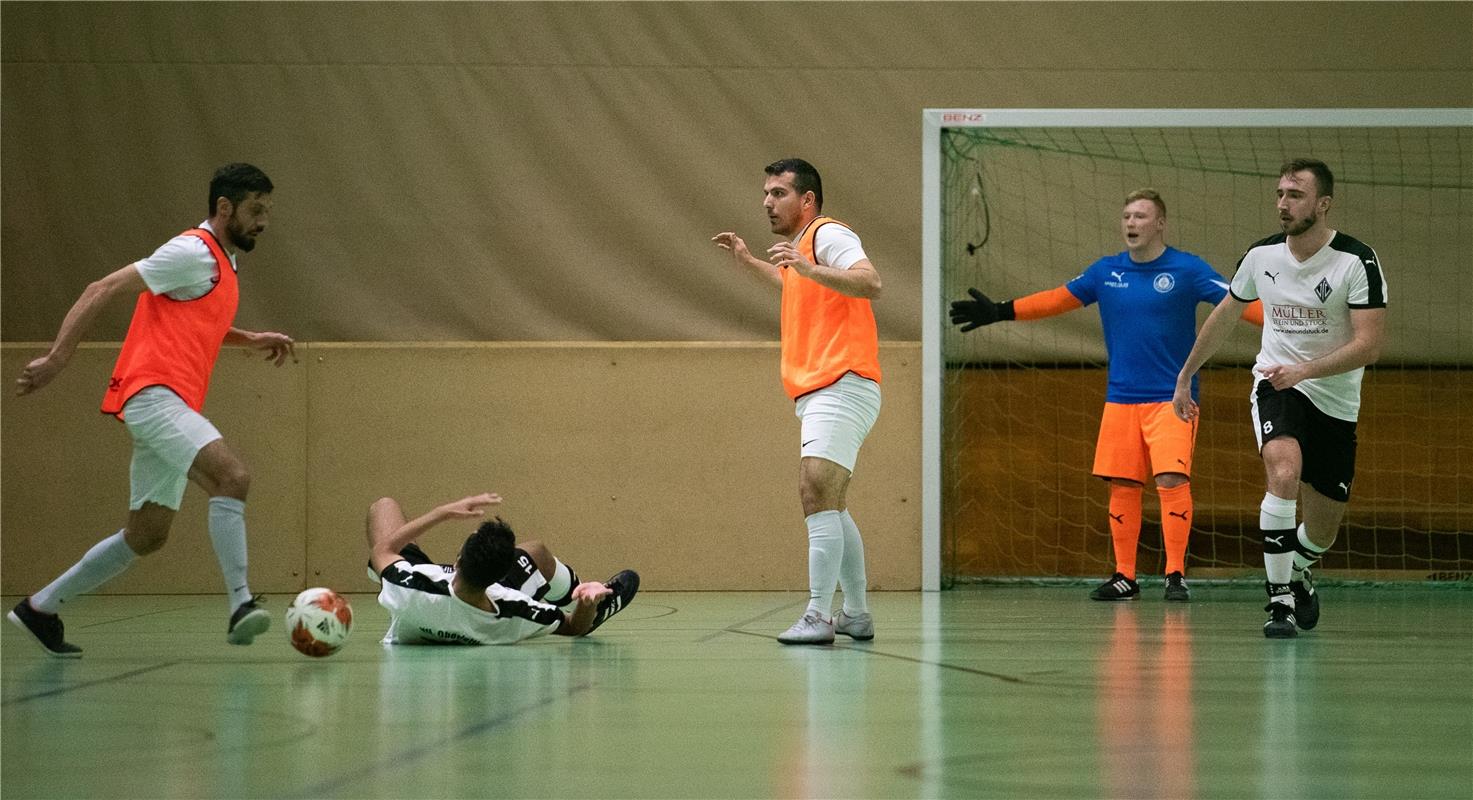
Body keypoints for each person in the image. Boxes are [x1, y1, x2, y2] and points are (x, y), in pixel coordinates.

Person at [8, 163, 295, 657]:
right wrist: (58, 358)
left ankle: (39, 608)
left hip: (168, 400)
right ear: (224, 208)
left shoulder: (223, 262)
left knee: (146, 535)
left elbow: (194, 319)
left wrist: (249, 338)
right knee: (232, 478)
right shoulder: (190, 252)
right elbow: (100, 289)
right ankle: (240, 605)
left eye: (267, 210)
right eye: (255, 210)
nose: (262, 221)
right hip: (152, 394)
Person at [950, 189, 1263, 602]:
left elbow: (1238, 304)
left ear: (1161, 224)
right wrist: (1002, 310)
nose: (1131, 223)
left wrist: (1291, 321)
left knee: (1171, 477)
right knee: (1122, 482)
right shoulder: (1106, 272)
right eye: (1127, 216)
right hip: (1121, 399)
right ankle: (1125, 576)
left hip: (1172, 399)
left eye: (1141, 216)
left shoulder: (1187, 270)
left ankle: (1175, 574)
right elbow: (1058, 299)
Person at [1173, 158, 1386, 638]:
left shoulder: (1357, 261)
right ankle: (1279, 604)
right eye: (1280, 194)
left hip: (1333, 396)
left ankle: (1298, 569)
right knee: (1284, 472)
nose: (1283, 204)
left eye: (1295, 195)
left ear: (1323, 204)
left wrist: (1306, 371)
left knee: (1323, 529)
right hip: (1275, 383)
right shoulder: (1261, 256)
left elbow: (1369, 346)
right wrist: (1185, 375)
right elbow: (1227, 314)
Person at [712, 158, 883, 645]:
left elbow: (870, 281)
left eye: (778, 193)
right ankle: (855, 613)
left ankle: (817, 615)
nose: (767, 202)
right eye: (765, 193)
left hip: (842, 379)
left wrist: (807, 264)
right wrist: (750, 262)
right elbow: (795, 281)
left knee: (814, 490)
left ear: (806, 199)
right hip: (822, 387)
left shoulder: (827, 233)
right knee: (831, 501)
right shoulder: (804, 252)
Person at [365, 493, 639, 644]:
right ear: (501, 579)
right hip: (463, 602)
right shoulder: (515, 610)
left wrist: (442, 513)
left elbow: (383, 551)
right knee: (536, 552)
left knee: (384, 506)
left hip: (427, 600)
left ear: (457, 560)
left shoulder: (407, 588)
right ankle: (578, 595)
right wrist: (586, 603)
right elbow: (573, 627)